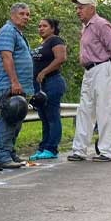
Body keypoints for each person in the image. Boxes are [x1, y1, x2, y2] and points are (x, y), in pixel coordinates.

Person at [68, 0, 111, 162]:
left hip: (103, 68)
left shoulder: (100, 24)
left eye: (81, 7)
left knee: (105, 110)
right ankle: (79, 150)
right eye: (77, 7)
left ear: (92, 8)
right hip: (90, 71)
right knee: (85, 110)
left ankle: (108, 151)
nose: (77, 10)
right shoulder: (86, 27)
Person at [0, 3, 34, 169]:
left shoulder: (18, 33)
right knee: (9, 119)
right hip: (10, 85)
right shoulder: (8, 31)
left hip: (20, 87)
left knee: (16, 121)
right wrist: (14, 82)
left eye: (28, 14)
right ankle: (2, 155)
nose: (26, 17)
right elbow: (6, 57)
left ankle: (9, 153)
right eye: (22, 14)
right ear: (13, 15)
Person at [29, 18, 67, 160]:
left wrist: (44, 72)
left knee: (52, 116)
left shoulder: (56, 40)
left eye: (44, 26)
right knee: (44, 117)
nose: (41, 28)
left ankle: (52, 148)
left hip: (53, 81)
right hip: (40, 85)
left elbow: (61, 58)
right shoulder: (42, 43)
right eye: (39, 26)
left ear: (52, 28)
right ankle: (43, 147)